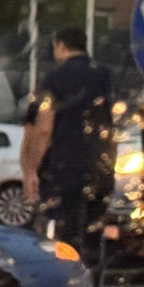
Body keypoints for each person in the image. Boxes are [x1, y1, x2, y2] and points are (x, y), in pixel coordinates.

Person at [20, 27, 116, 266]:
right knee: (93, 234)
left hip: (64, 168)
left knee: (64, 236)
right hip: (100, 167)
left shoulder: (54, 78)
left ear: (60, 46)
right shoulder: (104, 75)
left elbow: (42, 129)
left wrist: (31, 169)